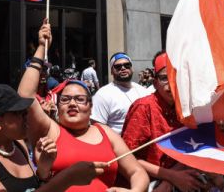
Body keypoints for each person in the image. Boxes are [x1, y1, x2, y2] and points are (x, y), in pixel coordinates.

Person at [19, 20, 149, 191]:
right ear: (58, 106)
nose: (72, 103)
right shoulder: (49, 129)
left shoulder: (106, 133)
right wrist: (42, 47)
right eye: (65, 99)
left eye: (80, 99)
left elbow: (137, 172)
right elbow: (25, 96)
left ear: (91, 106)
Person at [0, 84, 107, 191]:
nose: (26, 116)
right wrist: (67, 178)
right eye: (19, 113)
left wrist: (43, 170)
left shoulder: (18, 145)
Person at [121, 53, 207, 191]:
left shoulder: (190, 108)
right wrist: (171, 177)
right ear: (155, 83)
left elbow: (193, 146)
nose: (171, 84)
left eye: (176, 78)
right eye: (164, 78)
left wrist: (172, 179)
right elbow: (126, 158)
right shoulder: (144, 107)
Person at [91, 53, 150, 134]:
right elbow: (97, 127)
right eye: (118, 66)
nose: (123, 68)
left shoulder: (143, 91)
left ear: (132, 68)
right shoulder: (103, 94)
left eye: (127, 65)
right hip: (119, 144)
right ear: (111, 71)